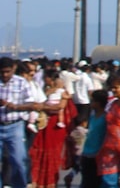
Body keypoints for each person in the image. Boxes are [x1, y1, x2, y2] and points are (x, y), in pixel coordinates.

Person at [0, 57, 43, 188]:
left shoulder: (21, 82)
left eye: (7, 72)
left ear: (13, 69)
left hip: (15, 125)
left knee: (19, 160)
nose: (5, 75)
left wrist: (15, 106)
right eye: (2, 72)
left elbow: (32, 104)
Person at [29, 67, 76, 188]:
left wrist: (43, 107)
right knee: (40, 151)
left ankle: (49, 182)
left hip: (55, 126)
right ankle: (39, 181)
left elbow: (59, 107)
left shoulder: (62, 92)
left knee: (52, 153)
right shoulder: (47, 91)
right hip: (46, 124)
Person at [80, 89, 109, 188]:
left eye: (92, 101)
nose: (91, 103)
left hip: (98, 154)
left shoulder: (106, 118)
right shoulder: (92, 116)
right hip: (87, 152)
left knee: (95, 182)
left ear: (98, 103)